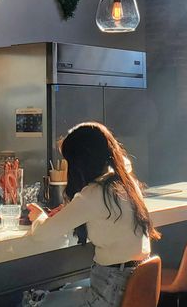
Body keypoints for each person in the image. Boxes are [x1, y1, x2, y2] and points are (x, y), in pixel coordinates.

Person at [23, 122, 160, 307]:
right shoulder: (126, 183)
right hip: (129, 284)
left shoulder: (94, 194)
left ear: (79, 163)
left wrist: (39, 216)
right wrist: (71, 209)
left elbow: (41, 234)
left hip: (108, 293)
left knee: (34, 302)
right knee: (66, 289)